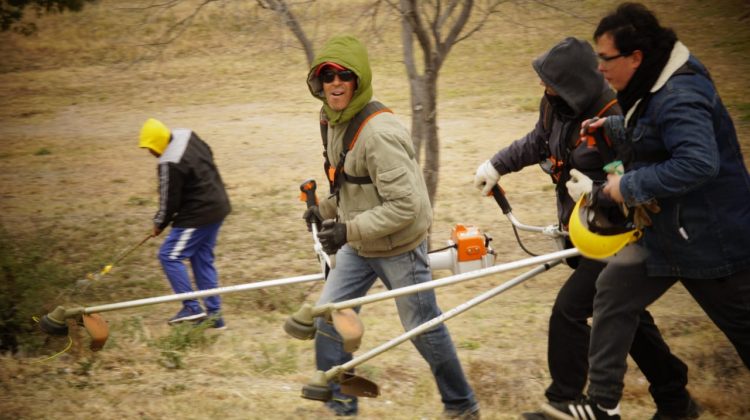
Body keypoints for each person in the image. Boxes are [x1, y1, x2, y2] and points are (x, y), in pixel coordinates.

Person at [541, 3, 750, 419]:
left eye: (606, 59)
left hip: (713, 242)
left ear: (635, 57)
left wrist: (625, 188)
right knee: (613, 293)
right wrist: (614, 129)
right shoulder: (651, 84)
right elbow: (656, 136)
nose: (599, 69)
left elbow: (698, 162)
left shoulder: (680, 93)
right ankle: (603, 404)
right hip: (665, 233)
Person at [472, 37, 697, 420]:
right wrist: (497, 166)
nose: (544, 88)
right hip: (581, 231)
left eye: (551, 82)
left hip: (620, 236)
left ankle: (566, 399)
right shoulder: (556, 107)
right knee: (627, 316)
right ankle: (676, 399)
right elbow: (537, 142)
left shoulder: (616, 114)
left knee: (570, 311)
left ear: (575, 83)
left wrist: (596, 193)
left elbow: (638, 182)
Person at [301, 35, 479, 418]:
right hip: (362, 243)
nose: (334, 83)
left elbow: (406, 207)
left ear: (358, 80)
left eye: (343, 75)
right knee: (329, 317)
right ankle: (341, 405)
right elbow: (353, 188)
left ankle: (462, 406)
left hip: (399, 245)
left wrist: (347, 230)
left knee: (423, 329)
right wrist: (326, 210)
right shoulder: (332, 121)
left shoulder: (380, 134)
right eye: (326, 75)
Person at [139, 118, 231, 329]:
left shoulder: (168, 163)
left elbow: (168, 200)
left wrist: (159, 223)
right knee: (201, 259)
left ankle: (192, 307)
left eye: (150, 148)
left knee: (169, 256)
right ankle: (215, 317)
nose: (150, 153)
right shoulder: (187, 134)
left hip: (197, 215)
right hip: (218, 204)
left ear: (157, 143)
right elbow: (208, 153)